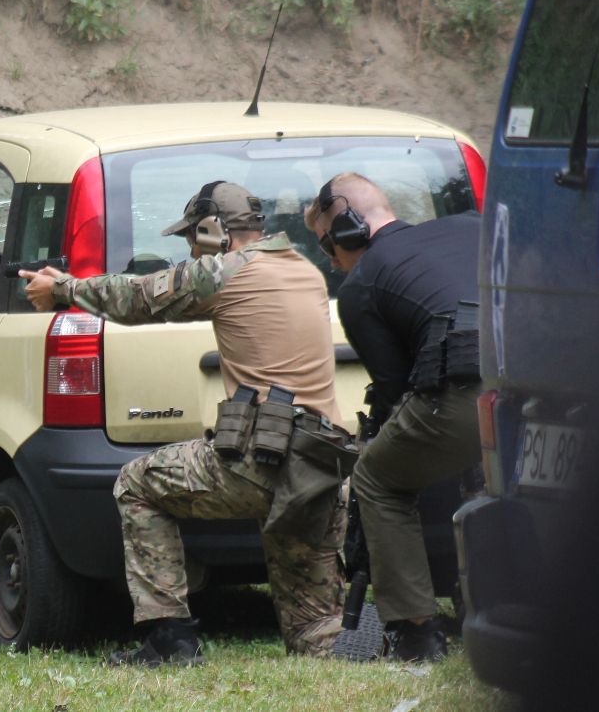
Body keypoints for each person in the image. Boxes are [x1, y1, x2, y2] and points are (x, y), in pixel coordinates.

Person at [22, 181, 352, 666]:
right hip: (321, 469)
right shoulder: (305, 270)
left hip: (260, 464)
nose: (190, 251)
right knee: (315, 635)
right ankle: (362, 648)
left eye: (191, 238)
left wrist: (62, 288)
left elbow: (137, 297)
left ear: (213, 230)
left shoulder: (226, 271)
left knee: (137, 482)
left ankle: (169, 638)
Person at [305, 172, 482, 663]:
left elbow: (398, 391)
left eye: (326, 244)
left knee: (378, 478)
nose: (331, 260)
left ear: (348, 230)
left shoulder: (361, 285)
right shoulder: (472, 225)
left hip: (466, 388)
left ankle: (417, 634)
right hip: (547, 382)